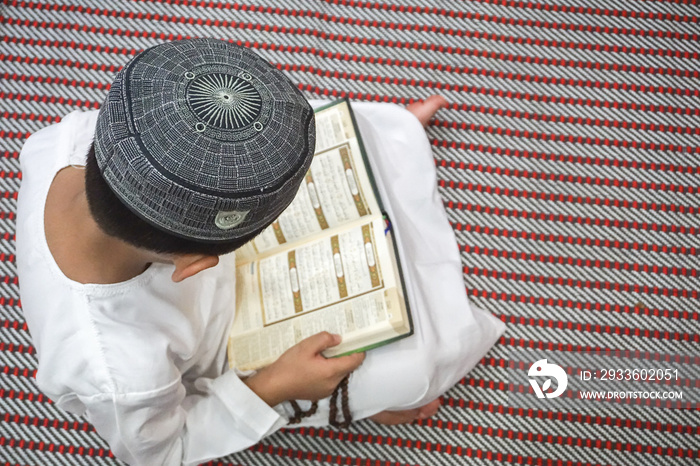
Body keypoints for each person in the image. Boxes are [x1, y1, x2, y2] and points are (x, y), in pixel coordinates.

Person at [16, 38, 504, 465]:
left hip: (199, 229)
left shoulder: (69, 138)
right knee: (415, 370)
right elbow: (163, 452)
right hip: (229, 339)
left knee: (363, 135)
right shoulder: (118, 371)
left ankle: (378, 141)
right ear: (199, 265)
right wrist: (275, 386)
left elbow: (214, 133)